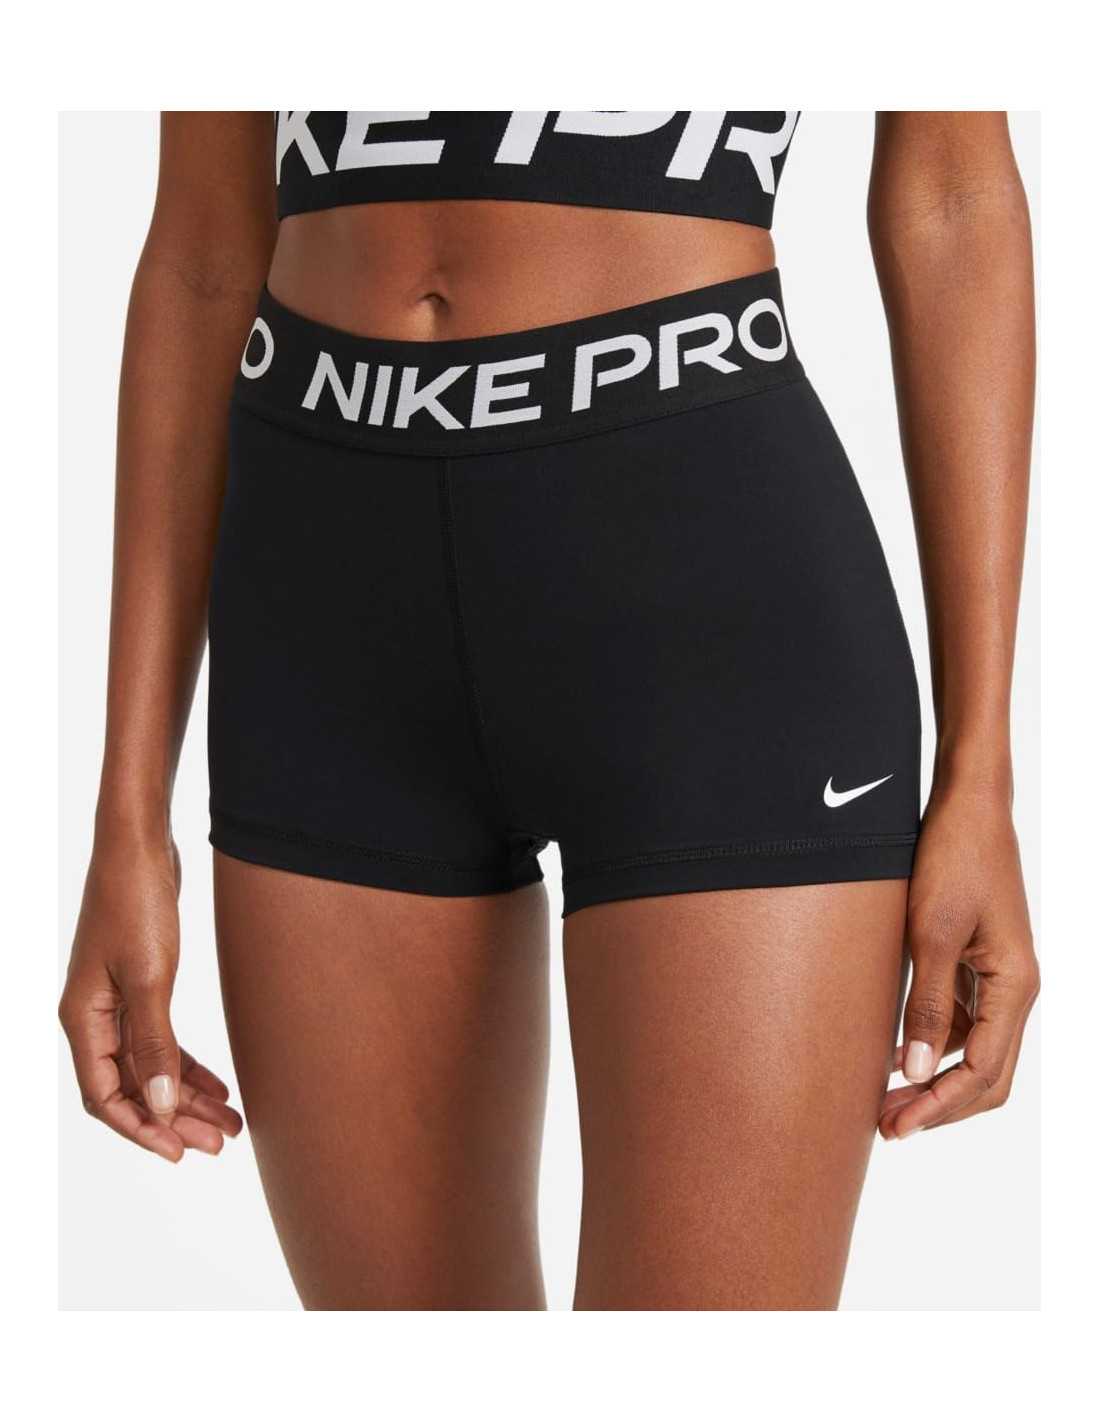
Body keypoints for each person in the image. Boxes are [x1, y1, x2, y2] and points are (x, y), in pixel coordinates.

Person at [61, 111, 1039, 1310]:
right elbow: (205, 249)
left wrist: (979, 772)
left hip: (707, 603)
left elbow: (951, 197)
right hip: (321, 608)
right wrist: (127, 820)